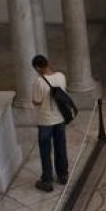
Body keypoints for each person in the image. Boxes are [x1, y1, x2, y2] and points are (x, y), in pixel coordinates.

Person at [31, 55, 70, 192]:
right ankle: (63, 175)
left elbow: (37, 101)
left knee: (45, 151)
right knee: (61, 147)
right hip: (60, 118)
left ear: (37, 68)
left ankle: (47, 180)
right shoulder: (61, 76)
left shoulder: (39, 82)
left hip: (46, 121)